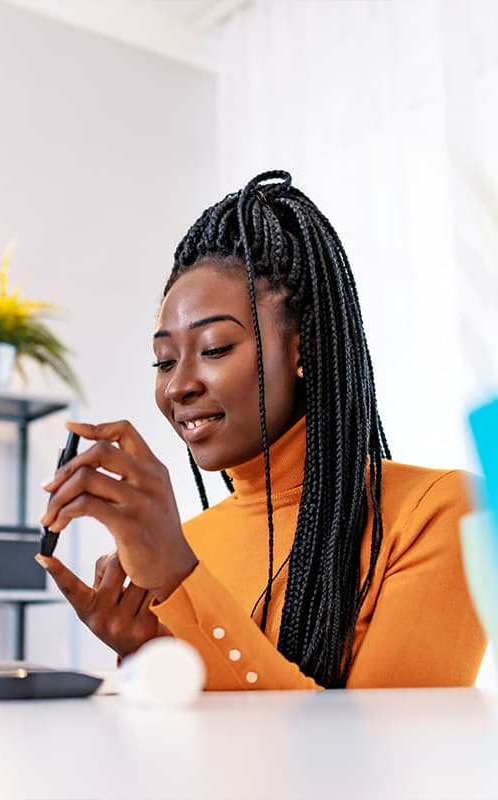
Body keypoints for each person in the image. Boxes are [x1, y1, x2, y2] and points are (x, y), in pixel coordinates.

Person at [35, 170, 486, 690]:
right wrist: (147, 648)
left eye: (215, 349)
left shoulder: (440, 512)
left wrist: (183, 578)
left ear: (305, 349)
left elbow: (374, 754)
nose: (178, 385)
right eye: (163, 361)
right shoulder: (188, 545)